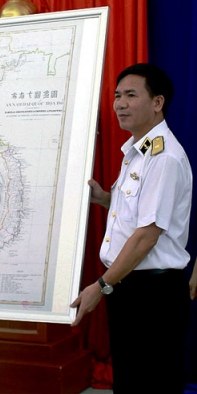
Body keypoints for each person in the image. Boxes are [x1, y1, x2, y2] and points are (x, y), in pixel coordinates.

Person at [70, 63, 192, 393]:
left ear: (157, 102)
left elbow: (146, 236)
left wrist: (101, 286)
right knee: (130, 379)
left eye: (131, 95)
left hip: (153, 294)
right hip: (127, 286)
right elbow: (139, 212)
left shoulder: (163, 157)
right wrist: (104, 199)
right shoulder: (137, 151)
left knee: (153, 381)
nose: (120, 104)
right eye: (117, 96)